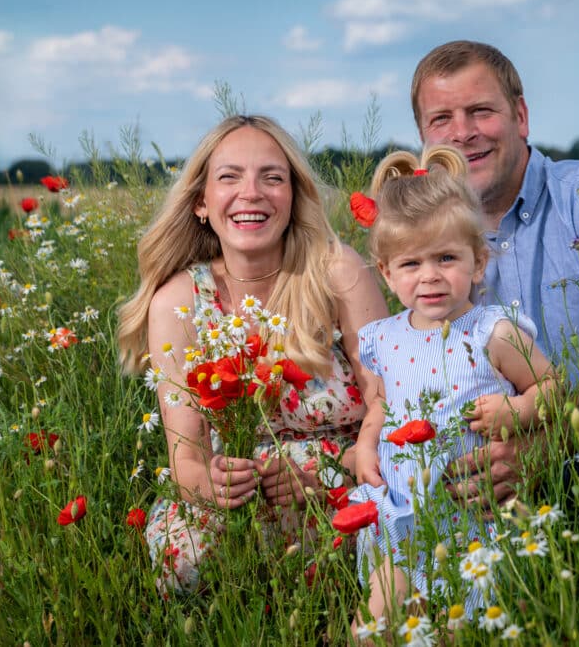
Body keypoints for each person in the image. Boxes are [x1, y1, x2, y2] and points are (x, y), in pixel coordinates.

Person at [116, 114, 388, 596]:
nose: (252, 192)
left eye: (272, 177)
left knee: (395, 531)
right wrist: (218, 487)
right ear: (201, 202)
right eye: (229, 177)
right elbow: (188, 464)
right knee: (187, 558)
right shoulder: (180, 301)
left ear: (293, 197)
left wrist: (326, 474)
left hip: (348, 480)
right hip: (237, 502)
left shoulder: (335, 270)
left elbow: (389, 398)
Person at [411, 41, 579, 505]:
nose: (462, 133)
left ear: (520, 116)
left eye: (480, 111)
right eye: (441, 119)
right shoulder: (418, 242)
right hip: (480, 504)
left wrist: (551, 441)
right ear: (423, 136)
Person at [346, 145, 554, 627]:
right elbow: (381, 404)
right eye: (411, 264)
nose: (430, 276)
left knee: (465, 621)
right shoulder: (384, 336)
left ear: (478, 263)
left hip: (471, 510)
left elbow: (550, 388)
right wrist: (365, 444)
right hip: (401, 507)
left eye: (446, 258)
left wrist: (517, 412)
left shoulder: (494, 332)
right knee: (380, 622)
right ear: (387, 272)